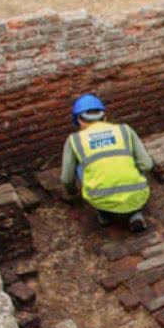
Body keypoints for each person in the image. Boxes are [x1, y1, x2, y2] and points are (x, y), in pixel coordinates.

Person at [60, 93, 153, 232]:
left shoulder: (74, 140)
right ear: (104, 116)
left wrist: (72, 192)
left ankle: (104, 214)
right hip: (138, 194)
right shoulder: (124, 130)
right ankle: (135, 214)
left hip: (99, 198)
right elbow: (147, 164)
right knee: (129, 157)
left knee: (81, 166)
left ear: (78, 120)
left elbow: (66, 178)